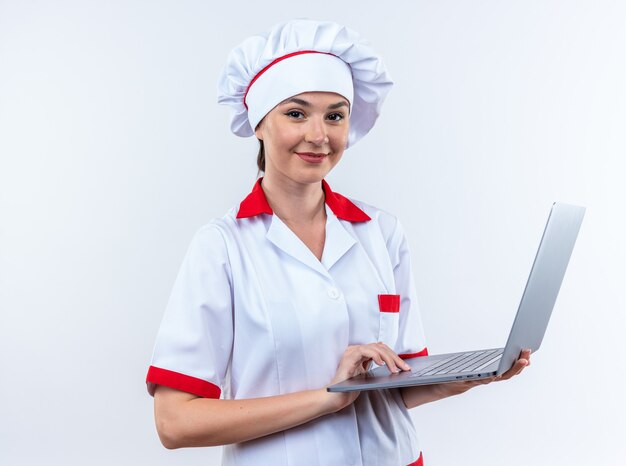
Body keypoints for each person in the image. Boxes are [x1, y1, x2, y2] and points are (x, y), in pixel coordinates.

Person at [145, 19, 531, 466]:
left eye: (335, 115)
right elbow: (175, 423)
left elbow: (398, 386)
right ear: (259, 124)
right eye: (296, 113)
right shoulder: (222, 247)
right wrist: (329, 397)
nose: (318, 135)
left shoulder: (382, 233)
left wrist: (473, 375)